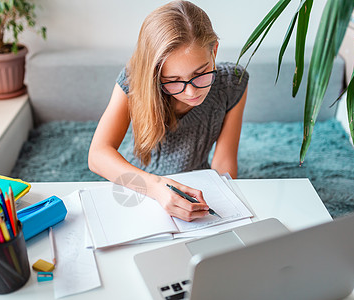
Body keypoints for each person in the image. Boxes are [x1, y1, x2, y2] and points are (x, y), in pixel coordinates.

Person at [88, 0, 248, 222]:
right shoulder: (133, 80)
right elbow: (97, 155)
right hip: (138, 186)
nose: (191, 92)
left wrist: (227, 210)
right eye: (173, 81)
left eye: (201, 74)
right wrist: (155, 187)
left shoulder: (233, 82)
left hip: (196, 184)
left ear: (215, 50)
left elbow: (224, 165)